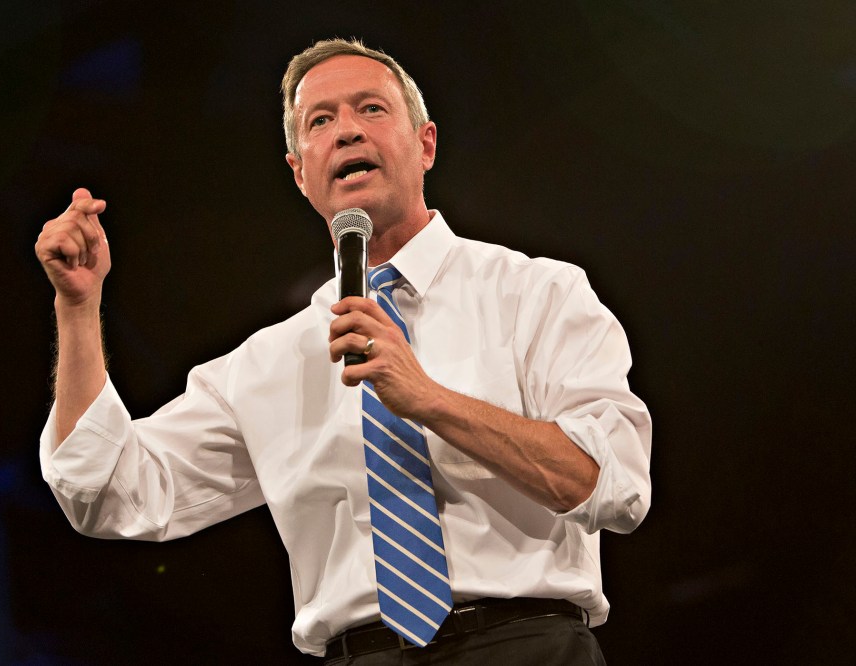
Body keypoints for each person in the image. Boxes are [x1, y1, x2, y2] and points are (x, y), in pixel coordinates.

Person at [34, 38, 651, 664]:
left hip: (527, 646)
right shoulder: (266, 365)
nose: (347, 131)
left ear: (426, 144)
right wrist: (78, 308)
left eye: (371, 109)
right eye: (320, 121)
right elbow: (106, 491)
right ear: (300, 173)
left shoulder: (538, 293)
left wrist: (429, 399)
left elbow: (613, 483)